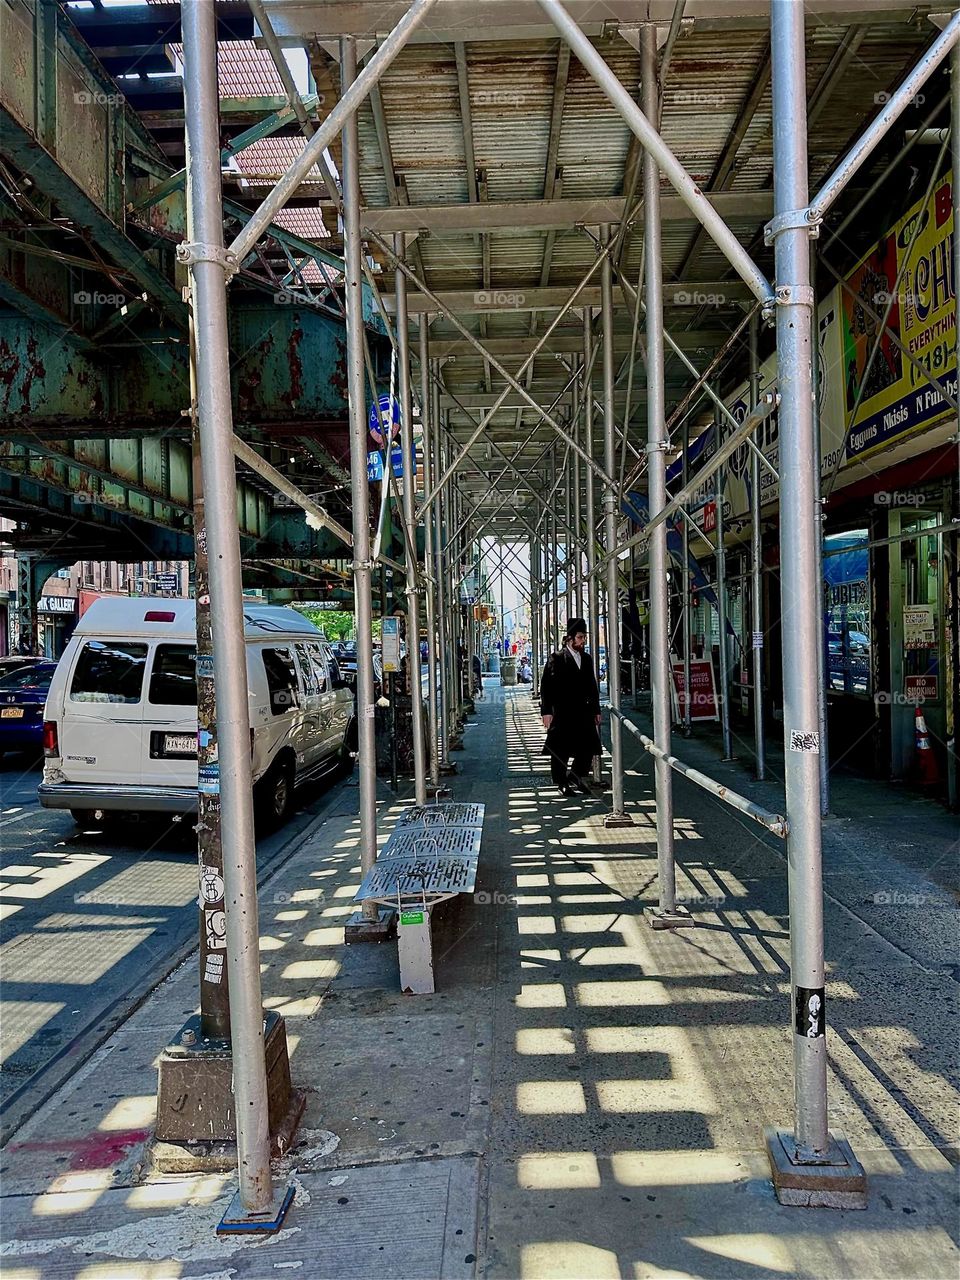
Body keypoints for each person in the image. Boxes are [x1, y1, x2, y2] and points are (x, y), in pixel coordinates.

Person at [539, 617, 601, 797]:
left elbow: (592, 686)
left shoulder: (587, 659)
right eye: (580, 637)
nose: (583, 641)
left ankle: (575, 776)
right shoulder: (556, 658)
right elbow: (546, 687)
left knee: (588, 748)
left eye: (584, 638)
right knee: (561, 749)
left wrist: (596, 710)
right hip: (563, 712)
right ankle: (561, 782)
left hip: (584, 711)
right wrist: (546, 712)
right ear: (570, 638)